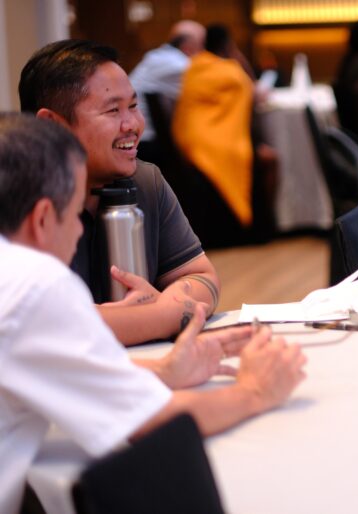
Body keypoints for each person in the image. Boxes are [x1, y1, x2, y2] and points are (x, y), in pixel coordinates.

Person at [0, 113, 307, 514]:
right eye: (75, 214)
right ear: (42, 219)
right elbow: (151, 424)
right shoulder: (35, 283)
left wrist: (161, 372)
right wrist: (256, 390)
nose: (78, 231)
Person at [19, 39, 220, 345]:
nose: (134, 125)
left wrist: (168, 305)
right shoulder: (16, 199)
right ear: (53, 125)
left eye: (134, 106)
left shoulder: (145, 181)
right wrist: (164, 316)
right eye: (113, 110)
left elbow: (202, 277)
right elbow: (43, 327)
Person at [172, 24, 275, 247]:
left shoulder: (194, 67)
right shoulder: (230, 71)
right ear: (228, 45)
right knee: (262, 156)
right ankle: (264, 229)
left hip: (190, 139)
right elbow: (253, 92)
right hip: (219, 142)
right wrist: (237, 56)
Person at [129, 20, 205, 164]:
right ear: (188, 46)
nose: (204, 53)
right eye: (202, 46)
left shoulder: (158, 56)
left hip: (142, 139)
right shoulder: (176, 65)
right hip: (145, 144)